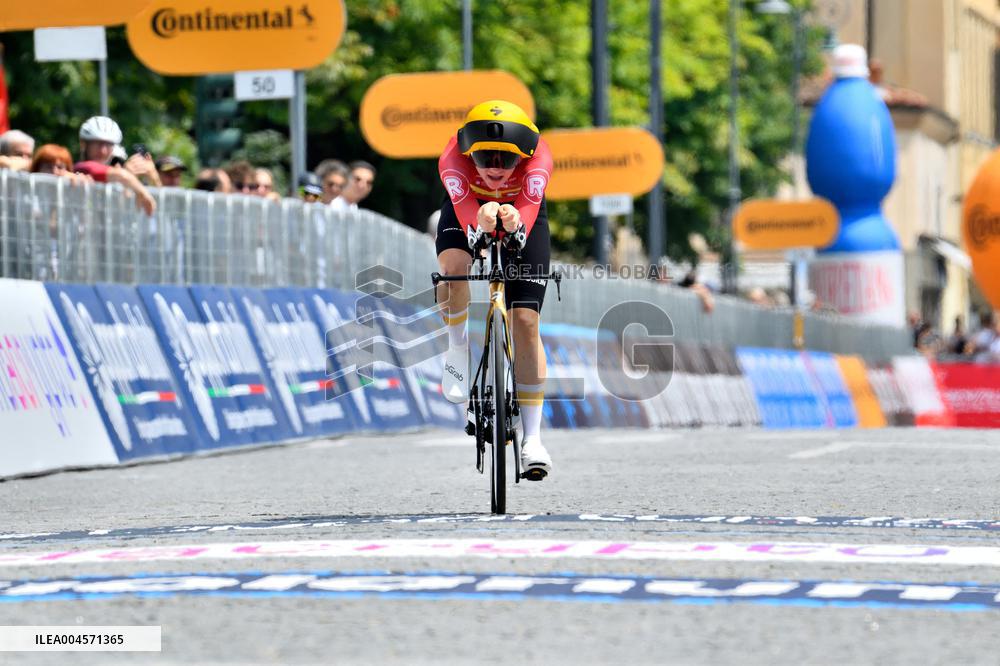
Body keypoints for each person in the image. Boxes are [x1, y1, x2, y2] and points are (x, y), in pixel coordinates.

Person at [435, 99, 553, 479]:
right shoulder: (452, 160)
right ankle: (456, 348)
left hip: (523, 211)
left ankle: (533, 439)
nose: (496, 169)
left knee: (525, 322)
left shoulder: (539, 162)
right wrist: (481, 220)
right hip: (468, 206)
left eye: (507, 160)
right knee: (453, 268)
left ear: (525, 154)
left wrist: (515, 221)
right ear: (470, 152)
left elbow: (530, 207)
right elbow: (466, 208)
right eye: (485, 158)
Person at [73, 116, 156, 216]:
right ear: (83, 144)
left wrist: (154, 178)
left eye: (108, 145)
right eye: (97, 144)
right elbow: (120, 175)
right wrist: (129, 178)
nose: (103, 151)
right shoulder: (81, 168)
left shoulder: (116, 174)